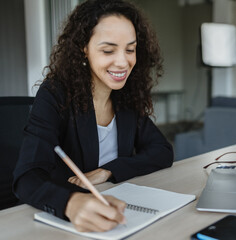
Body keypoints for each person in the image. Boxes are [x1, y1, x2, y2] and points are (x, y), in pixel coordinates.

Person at [13, 0, 173, 232]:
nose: (123, 61)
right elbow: (26, 176)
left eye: (130, 49)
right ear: (84, 48)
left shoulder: (126, 97)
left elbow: (162, 151)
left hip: (114, 211)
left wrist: (109, 170)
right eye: (108, 50)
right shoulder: (56, 93)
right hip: (54, 223)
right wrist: (70, 202)